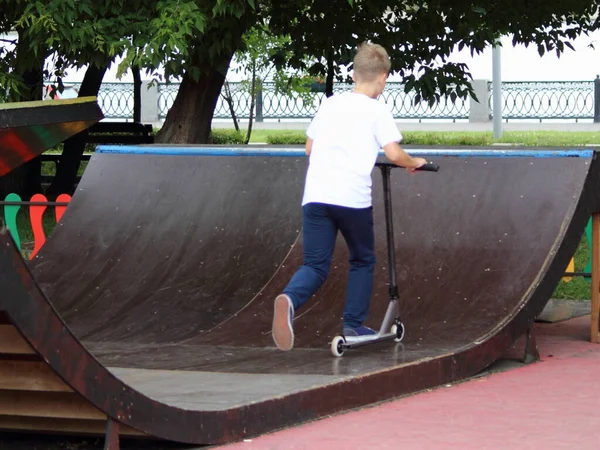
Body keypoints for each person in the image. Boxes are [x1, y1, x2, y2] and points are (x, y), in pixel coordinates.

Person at [272, 42, 427, 351]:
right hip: (351, 199)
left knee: (315, 265)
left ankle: (289, 299)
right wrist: (414, 163)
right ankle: (353, 326)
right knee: (362, 259)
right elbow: (394, 152)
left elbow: (309, 148)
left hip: (315, 194)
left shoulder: (330, 104)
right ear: (383, 78)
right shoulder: (377, 109)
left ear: (354, 75)